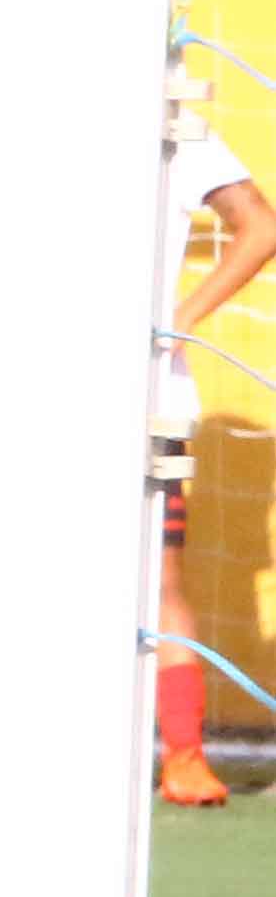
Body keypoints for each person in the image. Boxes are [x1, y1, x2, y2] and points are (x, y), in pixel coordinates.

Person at [155, 117, 276, 807]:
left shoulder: (179, 127)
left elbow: (260, 226)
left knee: (158, 579)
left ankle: (185, 756)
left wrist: (179, 317)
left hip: (147, 398)